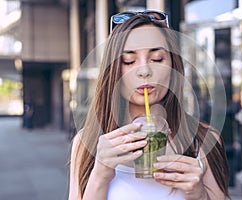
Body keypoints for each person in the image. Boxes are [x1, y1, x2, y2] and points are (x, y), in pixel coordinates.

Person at [68, 11, 230, 200]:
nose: (144, 70)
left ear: (173, 66)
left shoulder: (203, 140)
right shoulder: (87, 142)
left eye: (157, 59)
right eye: (128, 61)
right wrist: (100, 175)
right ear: (113, 71)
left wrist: (199, 194)